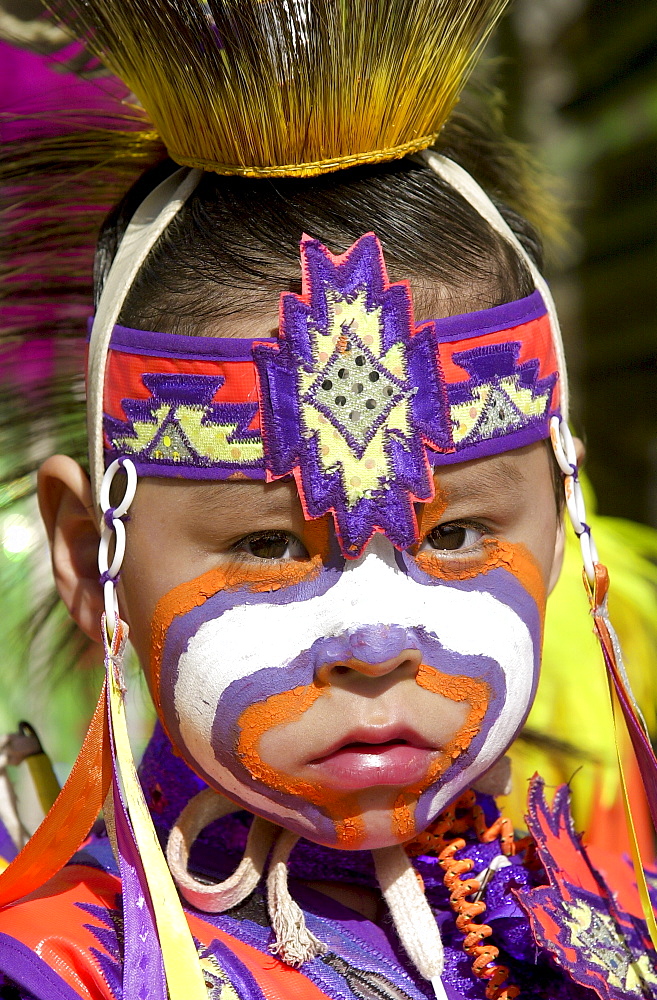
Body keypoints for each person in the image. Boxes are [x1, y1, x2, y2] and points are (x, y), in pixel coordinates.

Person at [0, 1, 656, 998]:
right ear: (92, 554)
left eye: (459, 532)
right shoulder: (60, 970)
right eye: (268, 545)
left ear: (565, 521)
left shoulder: (599, 909)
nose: (375, 638)